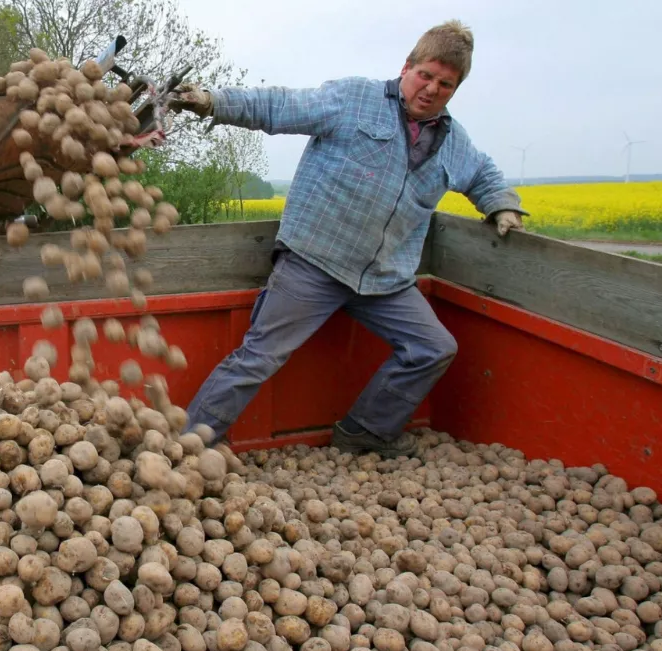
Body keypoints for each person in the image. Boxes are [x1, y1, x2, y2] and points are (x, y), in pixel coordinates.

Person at [167, 20, 527, 458]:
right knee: (259, 356)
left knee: (433, 349)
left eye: (446, 84)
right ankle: (191, 443)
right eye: (425, 76)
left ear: (456, 89)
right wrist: (211, 102)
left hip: (384, 279)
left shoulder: (454, 141)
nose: (432, 89)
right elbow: (278, 106)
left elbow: (483, 172)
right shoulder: (355, 99)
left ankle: (364, 432)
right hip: (315, 262)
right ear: (407, 67)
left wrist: (501, 204)